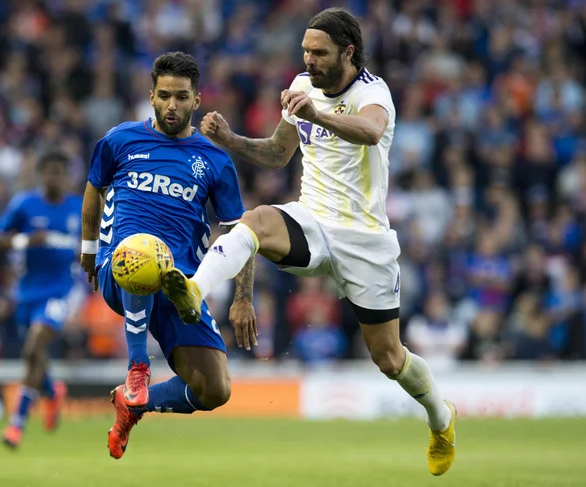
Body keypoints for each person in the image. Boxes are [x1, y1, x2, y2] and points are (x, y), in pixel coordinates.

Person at [162, 8, 457, 476]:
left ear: (348, 52)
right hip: (313, 222)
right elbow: (278, 154)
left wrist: (317, 112)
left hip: (365, 242)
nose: (309, 60)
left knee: (389, 357)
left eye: (319, 52)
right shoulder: (301, 87)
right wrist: (230, 139)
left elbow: (371, 131)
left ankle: (441, 419)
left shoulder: (372, 92)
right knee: (256, 220)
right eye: (305, 51)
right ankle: (195, 291)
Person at [79, 51, 256, 460]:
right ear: (151, 96)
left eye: (181, 97)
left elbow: (239, 232)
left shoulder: (214, 160)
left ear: (197, 100)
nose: (171, 105)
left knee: (215, 389)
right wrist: (89, 249)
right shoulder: (120, 139)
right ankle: (138, 367)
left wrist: (244, 297)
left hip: (181, 285)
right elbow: (93, 189)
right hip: (119, 266)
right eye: (163, 96)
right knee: (144, 253)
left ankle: (133, 404)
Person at [0, 151, 81, 448]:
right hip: (27, 291)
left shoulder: (78, 208)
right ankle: (52, 390)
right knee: (33, 355)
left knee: (35, 345)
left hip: (60, 290)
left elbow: (93, 246)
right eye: (49, 172)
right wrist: (25, 240)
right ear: (41, 174)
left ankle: (16, 425)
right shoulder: (25, 205)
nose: (54, 177)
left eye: (60, 172)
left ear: (67, 176)